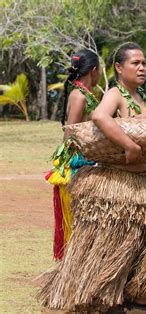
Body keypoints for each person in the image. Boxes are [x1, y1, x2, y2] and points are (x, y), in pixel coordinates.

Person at [38, 43, 146, 312]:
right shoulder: (115, 94)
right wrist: (129, 145)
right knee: (121, 242)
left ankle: (142, 291)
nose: (142, 67)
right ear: (119, 68)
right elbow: (99, 116)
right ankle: (102, 295)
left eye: (144, 63)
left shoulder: (144, 98)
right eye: (135, 63)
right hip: (121, 182)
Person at [45, 49, 100, 260]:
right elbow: (70, 131)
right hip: (77, 163)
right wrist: (70, 163)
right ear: (93, 71)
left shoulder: (82, 92)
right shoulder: (79, 95)